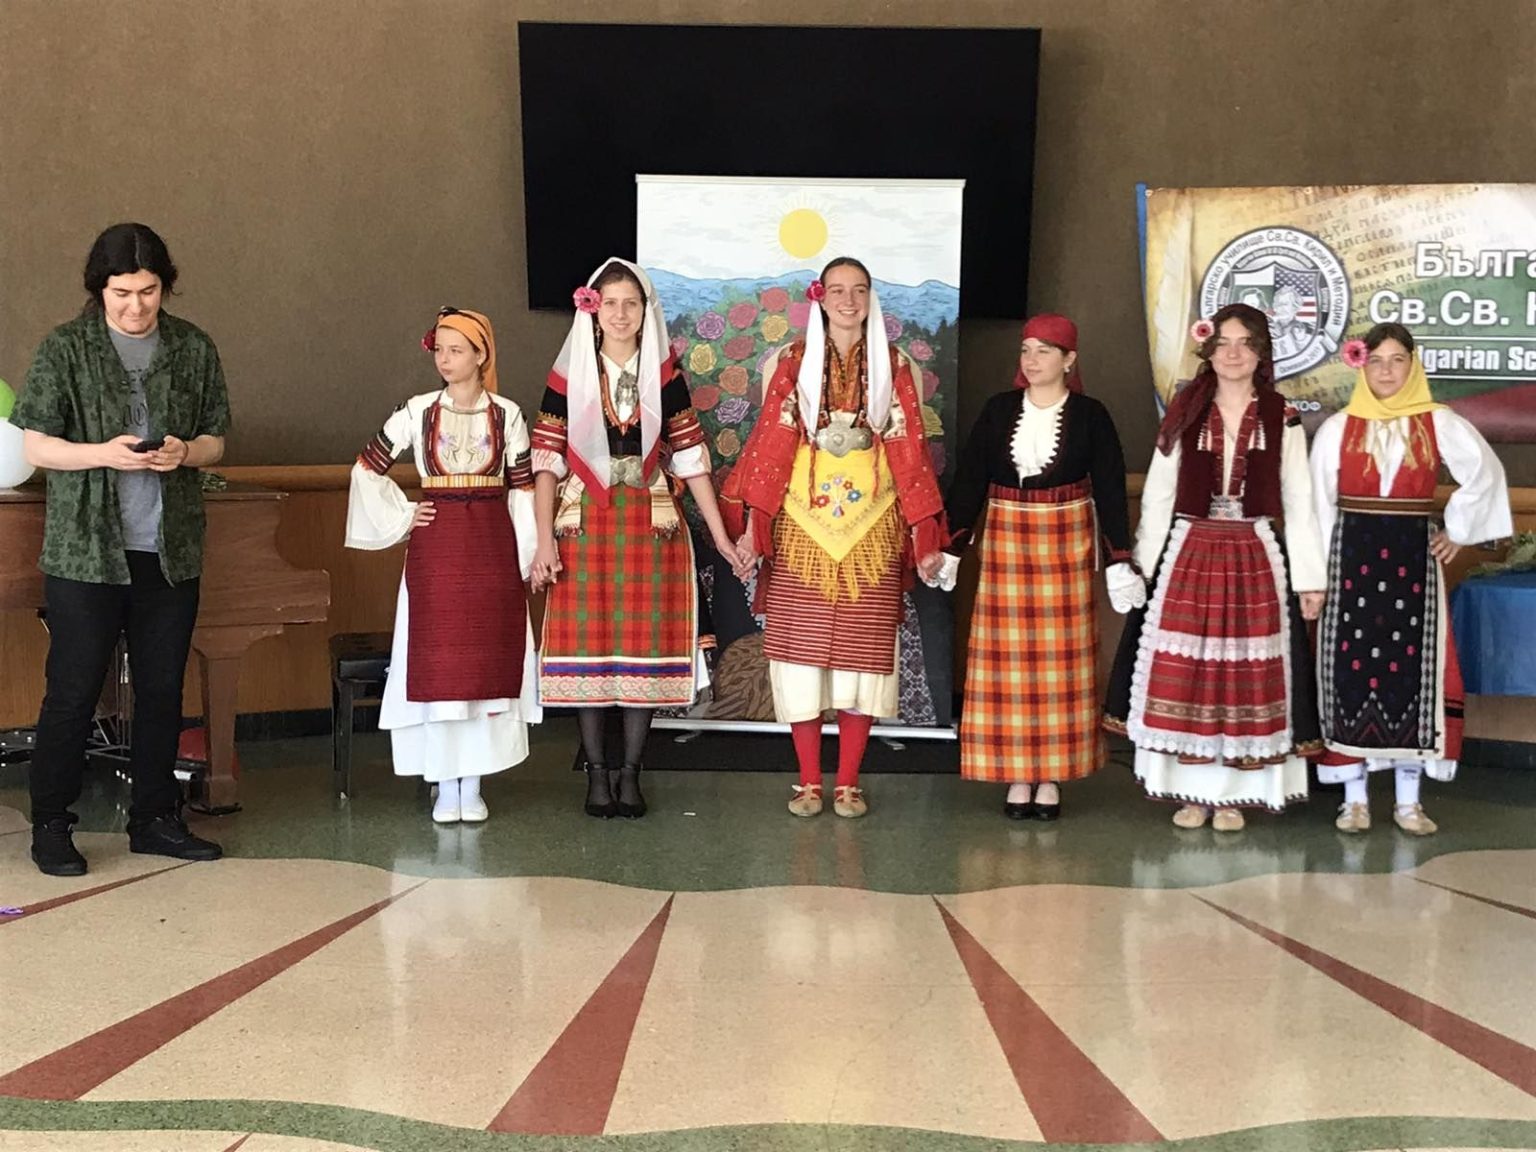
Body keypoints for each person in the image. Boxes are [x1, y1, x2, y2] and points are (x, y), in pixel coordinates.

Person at [13, 223, 229, 876]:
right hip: (86, 553)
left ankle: (155, 818)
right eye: (122, 293)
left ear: (166, 286)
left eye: (148, 291)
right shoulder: (66, 348)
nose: (136, 306)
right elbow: (35, 444)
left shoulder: (192, 347)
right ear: (99, 290)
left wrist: (185, 451)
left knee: (162, 690)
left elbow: (217, 437)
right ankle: (52, 824)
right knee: (73, 690)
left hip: (168, 550)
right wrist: (101, 454)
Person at [722, 257, 947, 819]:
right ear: (820, 297)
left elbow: (910, 450)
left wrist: (922, 532)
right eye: (838, 290)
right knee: (799, 657)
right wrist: (755, 525)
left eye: (859, 290)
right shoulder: (792, 360)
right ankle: (807, 781)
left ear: (871, 298)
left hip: (874, 525)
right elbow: (771, 444)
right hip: (802, 527)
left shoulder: (897, 365)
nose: (849, 301)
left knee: (862, 658)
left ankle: (847, 781)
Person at [530, 258, 747, 819]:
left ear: (646, 311)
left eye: (632, 303)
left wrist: (722, 538)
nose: (621, 314)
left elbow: (692, 458)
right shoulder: (570, 375)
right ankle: (596, 775)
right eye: (611, 303)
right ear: (592, 309)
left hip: (653, 528)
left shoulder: (664, 376)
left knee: (644, 648)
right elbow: (547, 462)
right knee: (588, 647)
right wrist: (543, 541)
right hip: (584, 525)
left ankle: (631, 772)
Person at [1104, 302, 1326, 831]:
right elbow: (1160, 492)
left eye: (1245, 344)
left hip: (1254, 553)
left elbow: (1299, 499)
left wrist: (1309, 579)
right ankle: (1192, 792)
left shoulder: (1282, 416)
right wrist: (1143, 564)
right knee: (1189, 674)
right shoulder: (1187, 408)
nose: (1233, 354)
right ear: (1208, 351)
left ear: (1261, 353)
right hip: (1190, 551)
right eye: (1223, 343)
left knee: (1244, 676)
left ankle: (1233, 796)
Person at [932, 314, 1141, 820]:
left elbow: (1111, 488)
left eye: (1044, 350)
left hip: (1065, 544)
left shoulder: (1091, 415)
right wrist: (953, 547)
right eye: (1026, 350)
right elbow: (971, 478)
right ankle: (1017, 773)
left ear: (1070, 360)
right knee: (1005, 666)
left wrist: (1119, 559)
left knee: (1061, 665)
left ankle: (1050, 775)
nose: (1032, 360)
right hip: (1006, 539)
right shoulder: (999, 410)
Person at [1310, 322, 1511, 835]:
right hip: (1350, 562)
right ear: (1362, 366)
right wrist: (1319, 573)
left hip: (1412, 562)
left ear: (1413, 365)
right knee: (1349, 674)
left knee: (1412, 675)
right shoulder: (1338, 428)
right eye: (1376, 360)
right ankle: (1353, 798)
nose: (1386, 371)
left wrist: (1458, 532)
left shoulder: (1438, 422)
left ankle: (1408, 800)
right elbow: (1317, 505)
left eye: (1397, 360)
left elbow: (1485, 473)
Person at [345, 308, 539, 824]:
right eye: (440, 350)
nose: (445, 360)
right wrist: (406, 514)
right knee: (438, 663)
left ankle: (472, 784)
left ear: (481, 355)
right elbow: (366, 468)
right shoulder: (417, 411)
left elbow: (522, 490)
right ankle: (444, 783)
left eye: (457, 350)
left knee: (486, 665)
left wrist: (528, 557)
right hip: (437, 550)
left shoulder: (508, 415)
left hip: (492, 549)